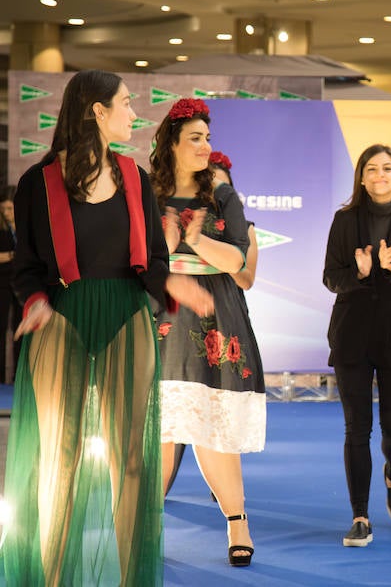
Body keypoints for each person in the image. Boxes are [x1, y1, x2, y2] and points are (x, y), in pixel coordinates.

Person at [2, 70, 212, 586]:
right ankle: (50, 577)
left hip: (127, 318)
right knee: (60, 463)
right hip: (61, 319)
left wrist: (173, 286)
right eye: (125, 103)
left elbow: (154, 259)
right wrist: (33, 301)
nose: (134, 113)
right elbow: (26, 265)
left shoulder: (135, 176)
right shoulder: (38, 181)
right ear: (97, 111)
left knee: (133, 465)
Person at [151, 98, 266, 567]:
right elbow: (138, 258)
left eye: (208, 137)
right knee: (156, 426)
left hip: (216, 318)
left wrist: (197, 241)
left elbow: (238, 261)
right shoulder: (145, 192)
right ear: (172, 144)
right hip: (161, 316)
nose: (205, 146)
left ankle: (237, 519)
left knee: (214, 425)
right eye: (195, 138)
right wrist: (169, 247)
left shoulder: (222, 196)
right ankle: (143, 523)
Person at [323, 144, 391, 547]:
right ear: (362, 177)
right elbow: (331, 278)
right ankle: (360, 517)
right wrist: (360, 270)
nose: (380, 175)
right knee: (356, 429)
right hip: (353, 333)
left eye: (387, 168)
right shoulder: (345, 219)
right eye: (372, 169)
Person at [209, 151, 258, 291]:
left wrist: (224, 253)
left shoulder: (246, 229)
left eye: (224, 188)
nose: (219, 195)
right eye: (213, 187)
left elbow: (246, 282)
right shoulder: (190, 223)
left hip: (228, 305)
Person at [0, 185, 22, 384]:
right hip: (2, 284)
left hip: (22, 284)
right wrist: (12, 255)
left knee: (20, 331)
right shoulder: (2, 229)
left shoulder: (26, 228)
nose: (6, 213)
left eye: (9, 208)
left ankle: (18, 377)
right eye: (3, 209)